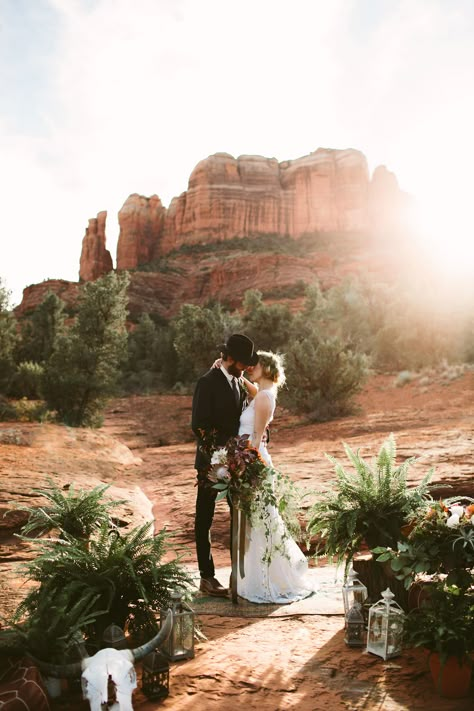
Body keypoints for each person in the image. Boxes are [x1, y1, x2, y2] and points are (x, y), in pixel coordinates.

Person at [237, 350, 313, 603]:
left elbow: (256, 438)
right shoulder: (263, 394)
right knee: (261, 520)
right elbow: (254, 394)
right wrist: (238, 379)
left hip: (255, 463)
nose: (250, 368)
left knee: (263, 521)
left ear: (266, 368)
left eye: (254, 365)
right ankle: (264, 575)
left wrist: (245, 465)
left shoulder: (265, 398)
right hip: (253, 460)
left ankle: (271, 579)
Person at [192, 333, 259, 597]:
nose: (245, 367)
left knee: (239, 517)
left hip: (236, 462)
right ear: (229, 357)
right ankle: (206, 577)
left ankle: (238, 574)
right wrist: (219, 455)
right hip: (211, 462)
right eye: (241, 362)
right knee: (204, 518)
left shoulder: (239, 382)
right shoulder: (207, 382)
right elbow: (199, 425)